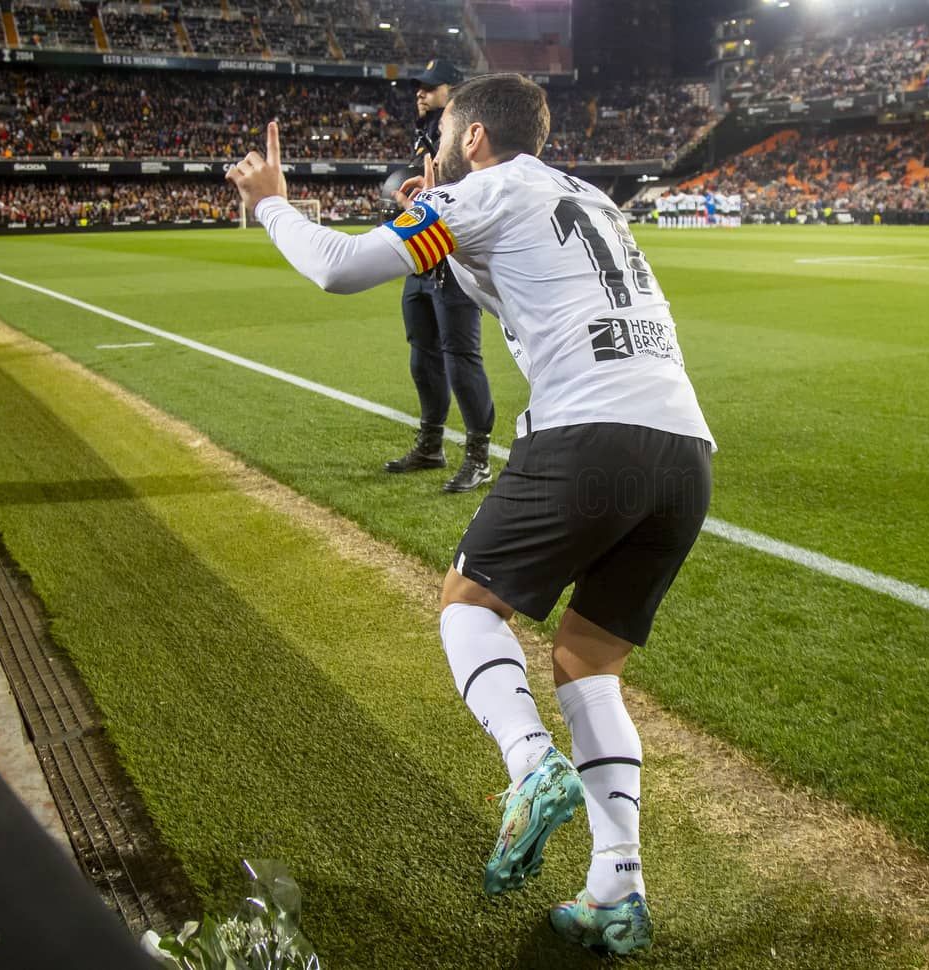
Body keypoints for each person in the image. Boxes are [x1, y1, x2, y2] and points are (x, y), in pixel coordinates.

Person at [227, 73, 713, 954]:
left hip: (589, 432)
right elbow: (509, 292)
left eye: (447, 136)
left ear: (476, 136)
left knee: (467, 603)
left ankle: (530, 767)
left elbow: (338, 270)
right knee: (586, 661)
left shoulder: (481, 186)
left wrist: (270, 205)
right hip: (683, 451)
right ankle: (618, 887)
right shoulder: (585, 195)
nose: (439, 149)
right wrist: (441, 230)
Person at [383, 59, 496, 493]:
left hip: (452, 257)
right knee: (422, 351)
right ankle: (431, 445)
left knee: (460, 355)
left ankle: (479, 457)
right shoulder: (427, 136)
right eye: (418, 86)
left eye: (431, 86)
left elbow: (477, 189)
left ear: (455, 91)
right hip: (422, 256)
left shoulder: (467, 136)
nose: (420, 92)